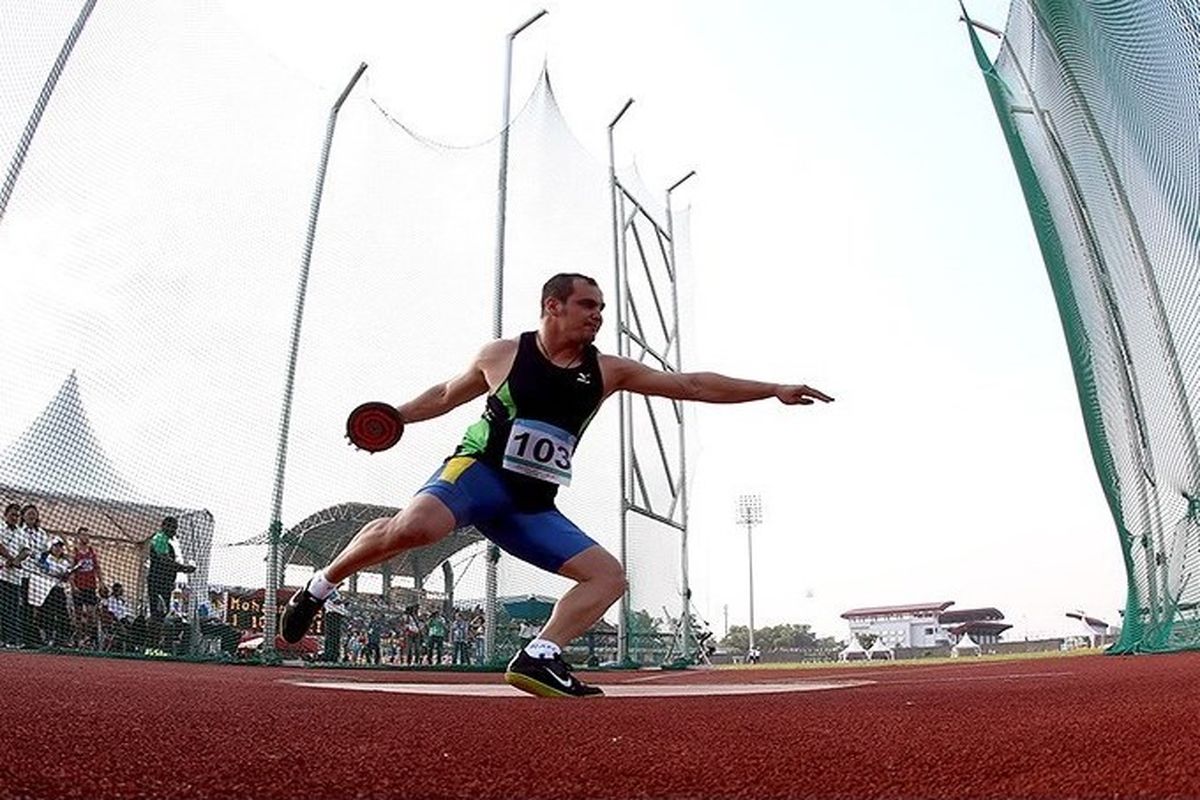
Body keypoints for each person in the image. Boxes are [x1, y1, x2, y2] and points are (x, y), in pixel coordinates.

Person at [282, 273, 832, 697]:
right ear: (553, 306)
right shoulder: (501, 354)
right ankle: (321, 588)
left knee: (608, 577)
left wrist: (772, 388)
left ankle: (540, 655)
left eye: (600, 308)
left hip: (530, 503)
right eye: (588, 305)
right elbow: (446, 394)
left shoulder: (608, 370)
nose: (597, 316)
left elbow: (689, 383)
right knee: (417, 528)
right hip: (476, 473)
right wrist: (393, 418)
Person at [145, 516, 195, 652]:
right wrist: (184, 568)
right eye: (173, 528)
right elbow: (164, 560)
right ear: (165, 526)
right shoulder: (160, 538)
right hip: (157, 582)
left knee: (163, 614)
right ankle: (151, 647)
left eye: (176, 528)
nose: (175, 531)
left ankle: (158, 646)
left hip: (165, 583)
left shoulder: (167, 541)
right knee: (157, 613)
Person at [0, 503, 30, 647]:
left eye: (17, 516)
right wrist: (11, 559)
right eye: (12, 514)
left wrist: (17, 560)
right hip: (1, 575)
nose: (15, 518)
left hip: (14, 578)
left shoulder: (21, 532)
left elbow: (26, 551)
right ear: (5, 515)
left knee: (12, 609)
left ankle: (11, 640)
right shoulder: (0, 527)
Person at [70, 527, 103, 648]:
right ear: (78, 537)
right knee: (78, 615)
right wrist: (73, 586)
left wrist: (101, 583)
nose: (86, 537)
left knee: (91, 614)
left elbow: (97, 568)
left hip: (90, 586)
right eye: (83, 535)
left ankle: (88, 638)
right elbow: (71, 571)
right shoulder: (75, 551)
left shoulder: (91, 551)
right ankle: (78, 639)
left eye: (87, 535)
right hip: (79, 586)